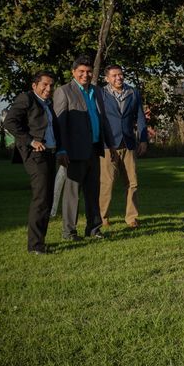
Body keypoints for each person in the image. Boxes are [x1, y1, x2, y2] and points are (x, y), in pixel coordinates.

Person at [54, 55, 116, 241]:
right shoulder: (63, 91)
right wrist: (61, 150)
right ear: (73, 72)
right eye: (81, 71)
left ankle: (94, 229)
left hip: (95, 149)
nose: (85, 75)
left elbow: (103, 120)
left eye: (88, 71)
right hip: (73, 152)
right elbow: (60, 125)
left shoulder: (96, 91)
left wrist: (110, 144)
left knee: (93, 192)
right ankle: (69, 232)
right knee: (72, 194)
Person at [3, 71, 60, 254]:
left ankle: (39, 243)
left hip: (50, 154)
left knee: (48, 199)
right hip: (35, 155)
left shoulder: (48, 103)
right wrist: (30, 140)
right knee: (41, 199)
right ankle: (35, 246)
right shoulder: (26, 98)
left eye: (51, 85)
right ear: (34, 85)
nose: (48, 88)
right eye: (45, 84)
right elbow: (10, 122)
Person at [99, 64, 148, 228]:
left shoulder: (133, 92)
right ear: (107, 78)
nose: (118, 78)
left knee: (132, 183)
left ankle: (132, 218)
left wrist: (143, 139)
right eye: (114, 75)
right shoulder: (100, 94)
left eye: (120, 74)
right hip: (108, 145)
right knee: (107, 183)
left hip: (128, 143)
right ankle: (102, 218)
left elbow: (140, 117)